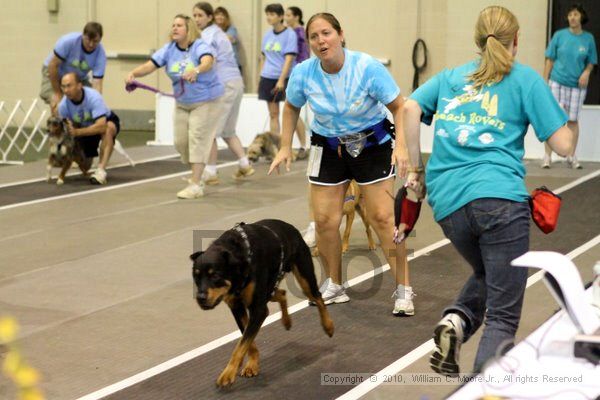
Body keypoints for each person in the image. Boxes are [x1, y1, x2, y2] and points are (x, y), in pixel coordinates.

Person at [401, 6, 573, 375]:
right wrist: (567, 126)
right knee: (504, 316)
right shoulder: (525, 79)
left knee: (490, 275)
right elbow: (563, 145)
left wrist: (416, 168)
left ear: (477, 40)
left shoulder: (450, 78)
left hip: (448, 204)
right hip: (500, 201)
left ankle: (457, 321)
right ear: (517, 39)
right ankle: (481, 391)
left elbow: (410, 107)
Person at [268, 13, 415, 316]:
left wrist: (401, 147)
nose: (321, 41)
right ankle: (335, 284)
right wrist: (285, 146)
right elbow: (292, 106)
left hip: (372, 144)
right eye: (314, 37)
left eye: (326, 33)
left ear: (340, 34)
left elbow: (399, 107)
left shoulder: (367, 68)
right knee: (324, 221)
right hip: (328, 146)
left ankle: (403, 289)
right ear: (308, 43)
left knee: (383, 218)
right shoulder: (304, 73)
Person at [126, 14, 223, 199]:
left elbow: (207, 61)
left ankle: (195, 184)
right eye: (173, 25)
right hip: (182, 101)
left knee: (198, 139)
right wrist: (133, 74)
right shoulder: (169, 49)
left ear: (189, 29)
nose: (174, 28)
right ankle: (197, 173)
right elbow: (150, 65)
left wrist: (196, 70)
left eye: (179, 25)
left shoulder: (199, 46)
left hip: (206, 100)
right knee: (180, 142)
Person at [192, 2, 254, 184]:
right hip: (236, 84)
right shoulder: (218, 33)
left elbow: (209, 62)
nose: (196, 19)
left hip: (225, 85)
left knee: (209, 130)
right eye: (194, 16)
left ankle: (210, 172)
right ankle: (244, 164)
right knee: (228, 131)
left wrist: (193, 73)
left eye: (200, 16)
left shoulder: (207, 36)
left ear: (210, 17)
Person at [542, 3, 597, 169]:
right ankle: (547, 156)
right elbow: (549, 59)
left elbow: (592, 62)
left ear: (581, 17)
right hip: (557, 82)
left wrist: (586, 72)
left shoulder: (588, 39)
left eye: (575, 14)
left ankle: (571, 156)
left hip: (577, 86)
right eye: (570, 15)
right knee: (553, 119)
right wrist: (545, 81)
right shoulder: (559, 35)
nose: (572, 17)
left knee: (573, 121)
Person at [57, 72, 120, 185]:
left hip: (102, 124)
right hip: (84, 130)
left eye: (69, 86)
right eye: (63, 86)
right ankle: (88, 155)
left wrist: (77, 132)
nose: (66, 90)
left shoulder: (94, 97)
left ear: (79, 85)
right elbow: (69, 129)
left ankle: (101, 170)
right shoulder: (63, 106)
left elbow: (101, 126)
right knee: (85, 166)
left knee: (108, 128)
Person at [40, 22, 106, 116]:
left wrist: (96, 104)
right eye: (88, 40)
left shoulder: (100, 54)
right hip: (55, 72)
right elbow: (53, 65)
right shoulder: (68, 41)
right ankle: (57, 128)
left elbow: (97, 84)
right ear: (83, 35)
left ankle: (80, 129)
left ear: (100, 40)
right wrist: (58, 93)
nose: (91, 44)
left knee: (90, 103)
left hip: (78, 78)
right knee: (58, 104)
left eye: (95, 41)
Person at [258, 4, 298, 139]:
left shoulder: (290, 34)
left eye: (272, 14)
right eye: (267, 14)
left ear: (281, 16)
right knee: (273, 114)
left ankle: (302, 145)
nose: (268, 17)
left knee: (292, 112)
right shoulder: (267, 35)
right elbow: (263, 56)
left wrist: (281, 79)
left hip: (283, 78)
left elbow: (289, 59)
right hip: (267, 77)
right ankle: (276, 145)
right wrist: (261, 73)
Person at [285, 6, 309, 159]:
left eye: (288, 15)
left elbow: (304, 54)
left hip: (299, 73)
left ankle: (303, 146)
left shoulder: (299, 32)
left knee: (296, 110)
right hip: (294, 73)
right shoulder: (291, 32)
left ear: (296, 16)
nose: (285, 18)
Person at [214, 7, 242, 74]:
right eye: (217, 15)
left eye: (222, 15)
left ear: (226, 17)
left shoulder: (231, 29)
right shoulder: (212, 30)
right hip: (218, 67)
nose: (219, 17)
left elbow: (228, 39)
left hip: (232, 66)